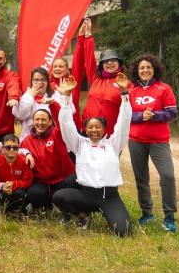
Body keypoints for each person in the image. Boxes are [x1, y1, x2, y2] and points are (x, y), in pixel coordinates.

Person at [53, 75, 133, 236]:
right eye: (90, 127)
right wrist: (66, 97)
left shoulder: (114, 144)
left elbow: (124, 122)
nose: (94, 130)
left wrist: (124, 93)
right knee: (60, 196)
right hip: (87, 196)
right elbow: (66, 125)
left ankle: (109, 213)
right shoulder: (79, 144)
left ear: (104, 130)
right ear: (86, 130)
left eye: (98, 127)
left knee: (123, 232)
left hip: (109, 196)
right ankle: (83, 215)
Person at [128, 54, 178, 232]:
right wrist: (141, 116)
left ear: (154, 69)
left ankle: (169, 216)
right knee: (141, 178)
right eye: (142, 68)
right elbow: (126, 115)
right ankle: (147, 213)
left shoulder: (164, 88)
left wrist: (155, 115)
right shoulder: (131, 90)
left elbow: (172, 112)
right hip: (136, 141)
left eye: (148, 67)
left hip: (159, 140)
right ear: (137, 71)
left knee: (168, 176)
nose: (145, 70)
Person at [78, 18, 131, 135]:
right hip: (88, 129)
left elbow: (130, 108)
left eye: (113, 60)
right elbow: (89, 58)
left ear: (119, 64)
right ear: (102, 65)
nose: (109, 63)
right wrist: (88, 35)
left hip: (110, 134)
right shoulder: (95, 78)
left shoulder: (126, 84)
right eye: (105, 61)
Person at [19, 108, 76, 217]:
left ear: (50, 121)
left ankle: (65, 209)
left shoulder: (57, 134)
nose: (40, 123)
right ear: (33, 121)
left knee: (75, 180)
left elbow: (62, 121)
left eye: (44, 120)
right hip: (42, 182)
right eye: (37, 119)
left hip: (62, 179)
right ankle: (46, 207)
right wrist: (26, 153)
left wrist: (54, 105)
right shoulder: (27, 141)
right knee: (34, 193)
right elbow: (18, 154)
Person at [13, 67, 75, 142]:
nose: (40, 83)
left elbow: (68, 113)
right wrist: (29, 97)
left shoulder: (55, 95)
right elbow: (20, 115)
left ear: (47, 81)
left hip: (51, 139)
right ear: (32, 81)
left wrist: (65, 95)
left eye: (43, 80)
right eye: (36, 80)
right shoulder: (26, 96)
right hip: (29, 140)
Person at [0, 134, 33, 212]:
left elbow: (28, 181)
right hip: (2, 190)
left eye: (15, 147)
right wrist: (2, 186)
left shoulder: (24, 161)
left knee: (19, 193)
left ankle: (20, 210)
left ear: (19, 148)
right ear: (3, 148)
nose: (12, 150)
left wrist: (13, 184)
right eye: (8, 147)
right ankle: (6, 210)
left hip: (18, 190)